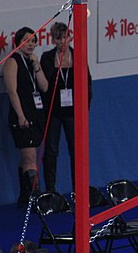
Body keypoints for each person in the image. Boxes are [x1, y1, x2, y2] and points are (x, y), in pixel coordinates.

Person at [40, 22, 92, 193]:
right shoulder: (47, 58)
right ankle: (50, 190)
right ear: (53, 40)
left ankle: (78, 189)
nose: (62, 41)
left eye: (65, 37)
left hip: (73, 112)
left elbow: (87, 84)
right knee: (51, 151)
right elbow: (46, 84)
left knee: (76, 152)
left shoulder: (78, 55)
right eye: (58, 38)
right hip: (54, 112)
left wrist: (84, 110)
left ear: (69, 37)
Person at [3, 27, 49, 207]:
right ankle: (36, 199)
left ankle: (25, 196)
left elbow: (44, 87)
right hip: (22, 116)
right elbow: (12, 91)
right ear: (18, 42)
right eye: (27, 40)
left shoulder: (31, 62)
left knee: (28, 157)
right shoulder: (12, 62)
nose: (31, 44)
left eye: (33, 41)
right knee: (30, 158)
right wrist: (20, 116)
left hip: (35, 114)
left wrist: (37, 66)